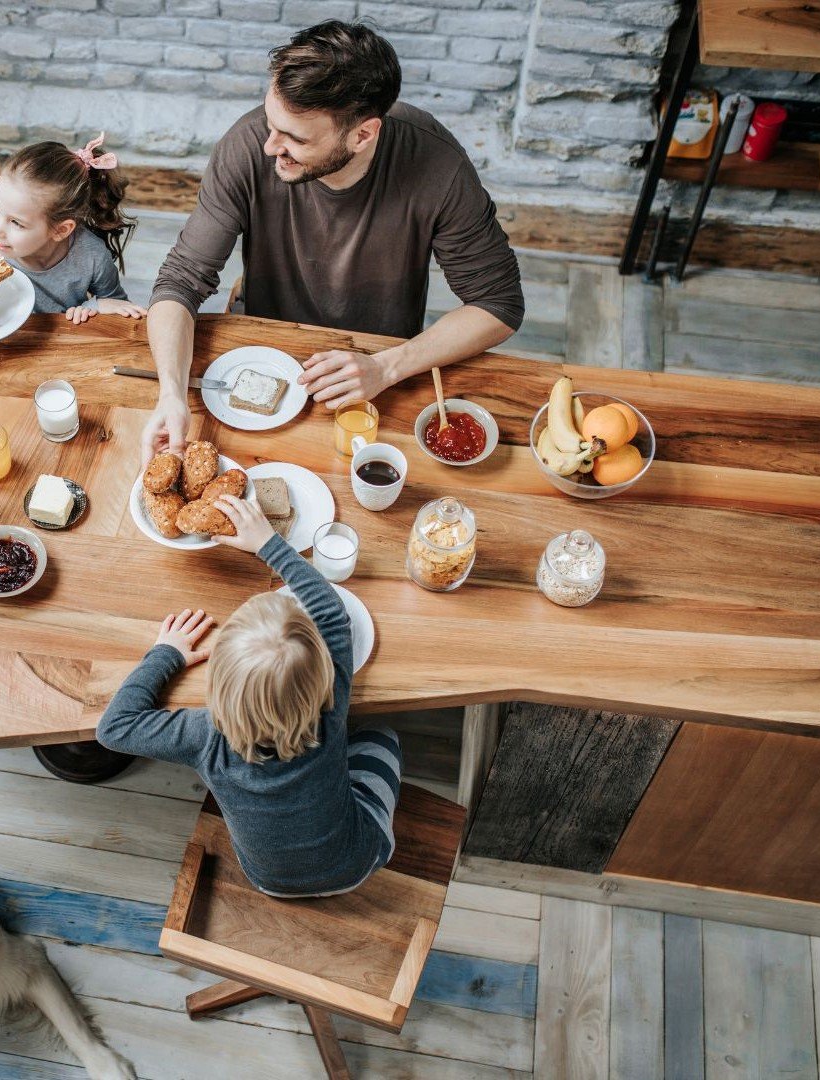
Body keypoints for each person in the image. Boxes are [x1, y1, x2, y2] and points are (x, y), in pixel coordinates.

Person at [141, 20, 526, 462]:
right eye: (271, 123)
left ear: (363, 135)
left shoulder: (438, 165)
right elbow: (179, 282)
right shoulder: (246, 146)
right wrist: (171, 394)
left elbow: (498, 305)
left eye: (296, 138)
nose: (270, 147)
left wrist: (387, 365)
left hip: (380, 365)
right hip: (267, 350)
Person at [95, 497, 403, 897]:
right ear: (324, 673)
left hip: (266, 881)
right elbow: (330, 610)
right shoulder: (332, 703)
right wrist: (268, 543)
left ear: (218, 682)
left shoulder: (203, 736)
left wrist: (166, 654)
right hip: (358, 861)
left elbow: (113, 728)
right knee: (382, 734)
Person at [0, 134, 148, 325]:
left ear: (61, 230)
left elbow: (120, 309)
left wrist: (92, 308)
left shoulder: (92, 256)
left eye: (16, 223)